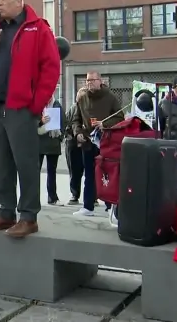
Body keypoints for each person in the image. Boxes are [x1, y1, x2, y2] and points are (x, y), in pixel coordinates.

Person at [0, 0, 60, 238]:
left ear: (19, 1)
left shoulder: (38, 28)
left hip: (20, 108)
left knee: (26, 164)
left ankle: (29, 216)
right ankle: (5, 212)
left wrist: (35, 104)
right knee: (0, 165)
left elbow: (51, 69)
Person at [70, 71, 123, 217]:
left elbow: (120, 117)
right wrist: (78, 132)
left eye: (92, 80)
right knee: (89, 174)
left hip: (105, 141)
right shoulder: (82, 98)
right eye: (87, 80)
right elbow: (76, 119)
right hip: (87, 141)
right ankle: (88, 206)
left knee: (106, 174)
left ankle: (110, 205)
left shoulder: (110, 97)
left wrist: (104, 124)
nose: (89, 83)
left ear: (100, 81)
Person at [38, 96, 64, 206]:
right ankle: (33, 198)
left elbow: (63, 121)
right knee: (35, 172)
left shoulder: (57, 104)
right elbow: (30, 120)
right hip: (38, 142)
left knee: (51, 172)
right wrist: (41, 121)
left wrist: (60, 136)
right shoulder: (37, 105)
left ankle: (52, 197)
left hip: (53, 143)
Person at [64, 88, 86, 205]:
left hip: (87, 143)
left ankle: (92, 196)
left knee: (90, 171)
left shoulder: (89, 109)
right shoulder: (72, 109)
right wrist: (69, 135)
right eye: (80, 98)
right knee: (74, 171)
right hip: (73, 143)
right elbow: (65, 123)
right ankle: (74, 194)